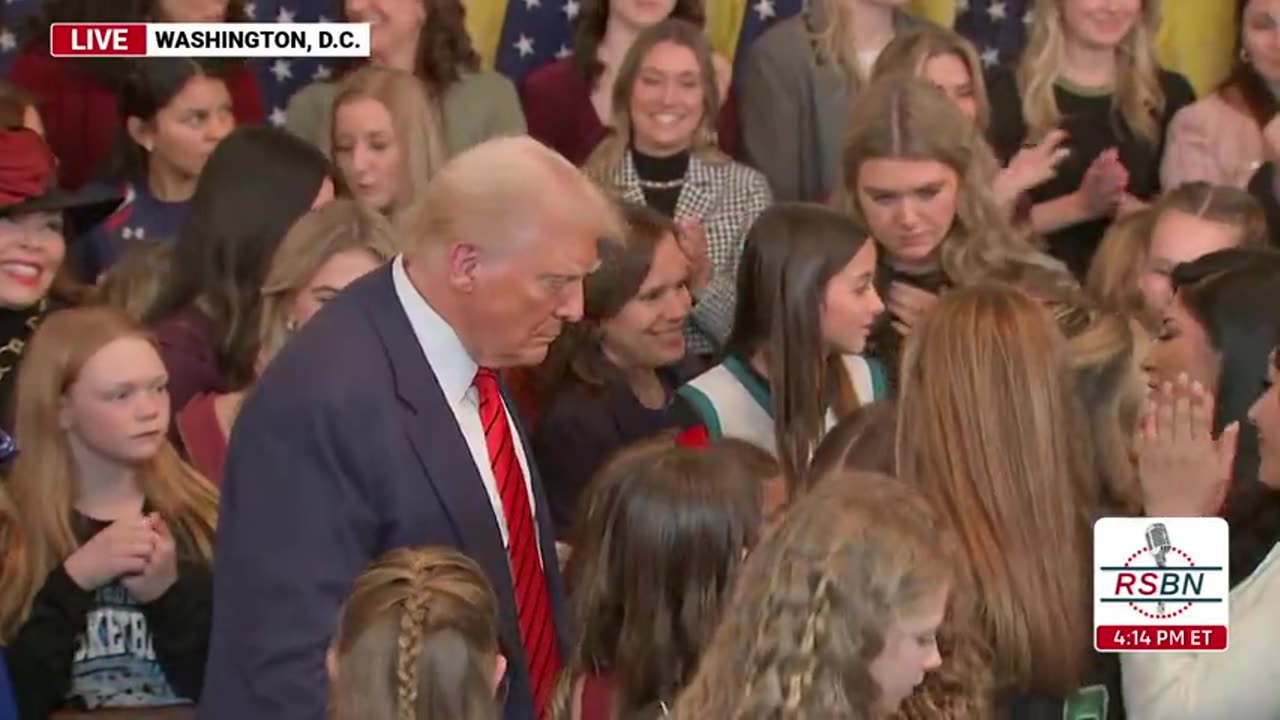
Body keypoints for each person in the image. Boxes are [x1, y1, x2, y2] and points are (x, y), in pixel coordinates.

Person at [197, 136, 624, 720]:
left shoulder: (476, 358)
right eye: (554, 282)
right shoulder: (317, 401)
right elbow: (290, 670)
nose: (575, 307)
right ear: (467, 264)